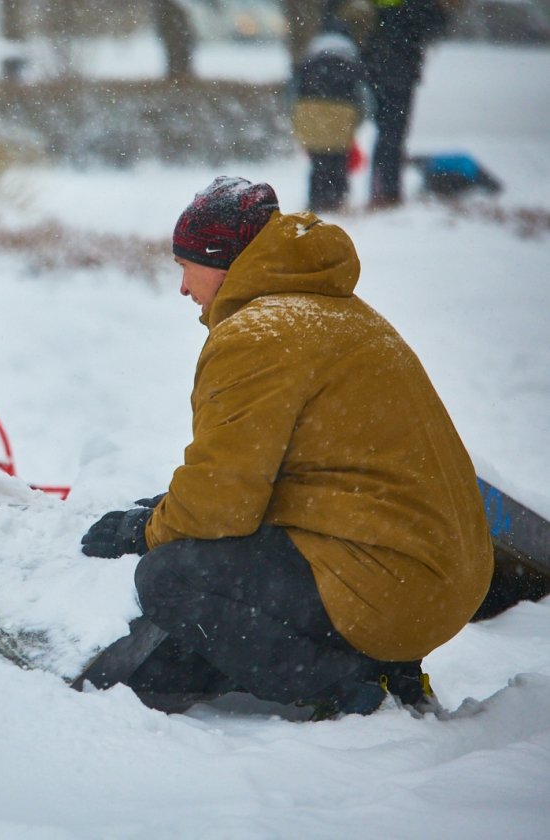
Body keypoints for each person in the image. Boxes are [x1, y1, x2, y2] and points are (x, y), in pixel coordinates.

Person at [73, 176, 492, 717]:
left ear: (219, 260)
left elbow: (224, 498)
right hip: (436, 578)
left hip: (389, 589)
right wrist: (170, 508)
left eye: (184, 267)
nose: (181, 287)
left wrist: (146, 530)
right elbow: (283, 474)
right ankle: (382, 660)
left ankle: (351, 684)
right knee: (194, 593)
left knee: (170, 577)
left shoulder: (259, 333)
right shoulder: (336, 311)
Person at [362, 0, 451, 206]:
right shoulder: (415, 7)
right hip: (400, 71)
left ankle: (379, 189)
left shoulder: (381, 7)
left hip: (378, 67)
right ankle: (388, 190)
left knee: (384, 131)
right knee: (394, 132)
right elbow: (437, 24)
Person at [289, 0, 373, 211]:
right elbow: (362, 93)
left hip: (312, 109)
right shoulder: (351, 53)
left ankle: (316, 198)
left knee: (318, 159)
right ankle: (337, 198)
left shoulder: (313, 51)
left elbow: (294, 88)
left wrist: (296, 114)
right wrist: (360, 119)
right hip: (342, 112)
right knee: (338, 159)